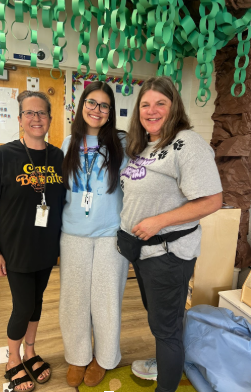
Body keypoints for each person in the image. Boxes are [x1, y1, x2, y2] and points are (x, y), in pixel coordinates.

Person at [119, 76, 223, 392]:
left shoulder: (187, 144)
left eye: (160, 103)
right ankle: (164, 363)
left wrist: (157, 222)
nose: (152, 111)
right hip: (144, 250)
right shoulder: (145, 145)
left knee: (166, 328)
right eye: (146, 104)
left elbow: (212, 200)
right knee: (160, 320)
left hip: (167, 253)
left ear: (174, 106)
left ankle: (167, 383)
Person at [0, 91, 66, 392]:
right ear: (20, 119)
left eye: (41, 113)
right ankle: (13, 360)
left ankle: (30, 351)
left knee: (37, 302)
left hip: (46, 247)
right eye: (29, 113)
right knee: (22, 306)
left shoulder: (57, 156)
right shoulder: (4, 155)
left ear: (49, 119)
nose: (36, 118)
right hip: (15, 247)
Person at [59, 81, 129, 388]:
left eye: (103, 105)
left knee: (106, 299)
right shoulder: (67, 143)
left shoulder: (122, 143)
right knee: (74, 299)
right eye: (91, 102)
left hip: (110, 233)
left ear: (110, 112)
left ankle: (105, 357)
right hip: (73, 232)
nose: (96, 110)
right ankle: (77, 356)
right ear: (81, 105)